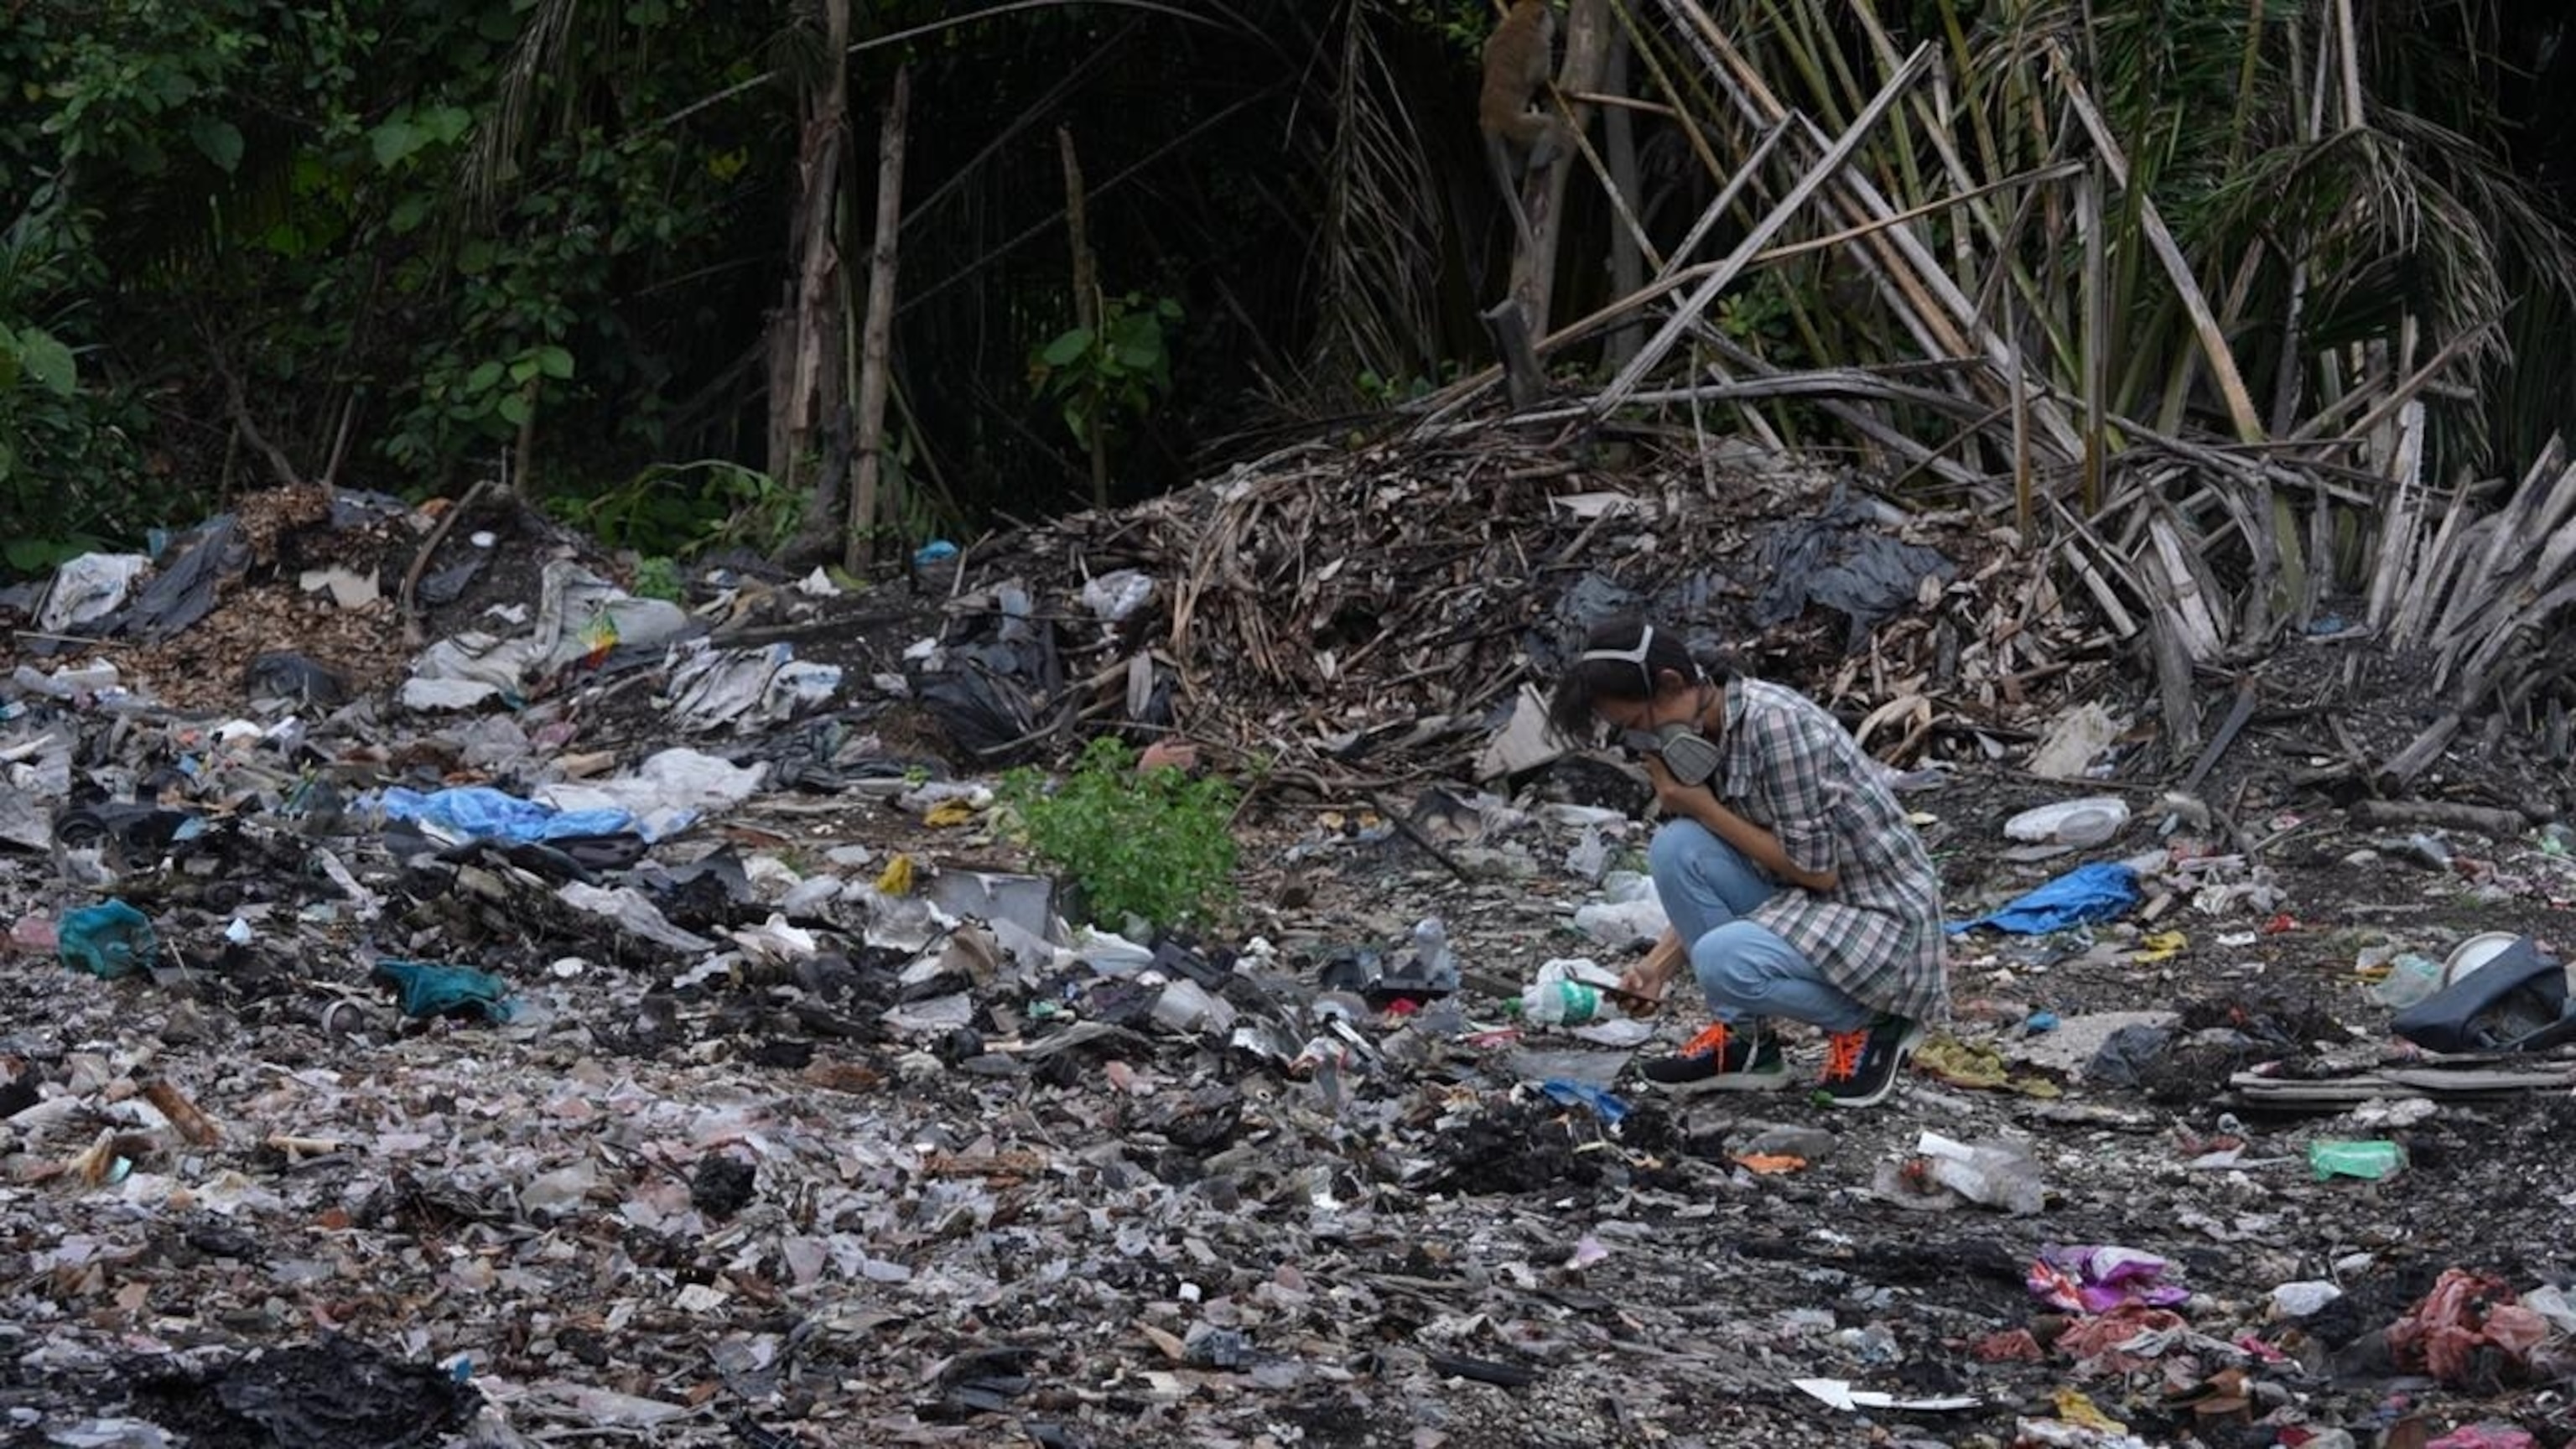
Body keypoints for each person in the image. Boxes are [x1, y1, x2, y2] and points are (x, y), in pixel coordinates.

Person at [1547, 617, 1945, 1107]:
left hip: (1878, 917)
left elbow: (1816, 871)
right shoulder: (1712, 730)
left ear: (1672, 684)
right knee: (1675, 846)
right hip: (1811, 903)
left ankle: (1877, 1021)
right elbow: (1743, 860)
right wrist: (1656, 969)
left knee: (1721, 959)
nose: (1644, 741)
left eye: (1637, 725)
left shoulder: (1774, 724)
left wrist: (1701, 806)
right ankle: (1749, 1044)